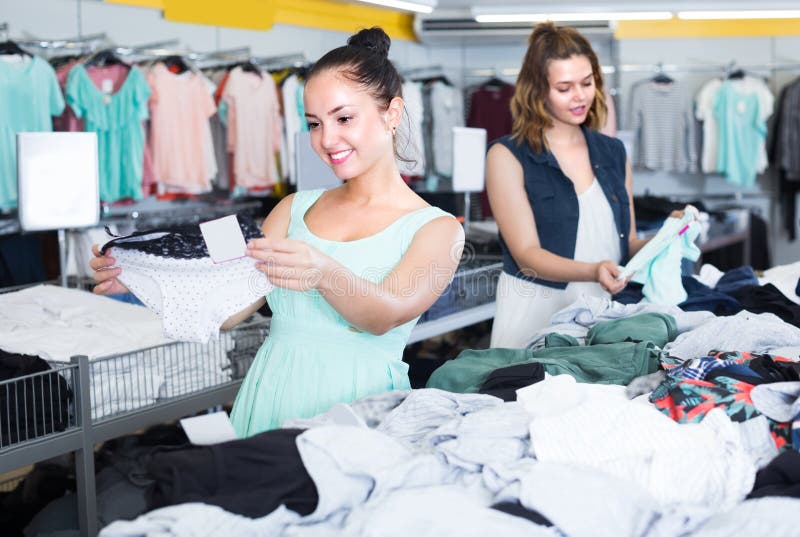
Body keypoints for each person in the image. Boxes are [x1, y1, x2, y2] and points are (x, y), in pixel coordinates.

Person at [90, 27, 464, 436]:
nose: (326, 139)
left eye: (344, 119)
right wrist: (140, 276)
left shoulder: (437, 230)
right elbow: (231, 307)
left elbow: (384, 316)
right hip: (270, 395)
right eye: (314, 123)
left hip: (359, 410)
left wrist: (321, 270)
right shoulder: (293, 209)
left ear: (391, 113)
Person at [486, 22, 651, 349]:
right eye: (564, 88)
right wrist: (593, 271)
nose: (580, 96)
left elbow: (626, 243)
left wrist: (669, 238)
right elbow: (527, 257)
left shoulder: (613, 152)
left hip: (601, 317)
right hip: (533, 316)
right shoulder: (507, 156)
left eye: (587, 83)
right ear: (537, 90)